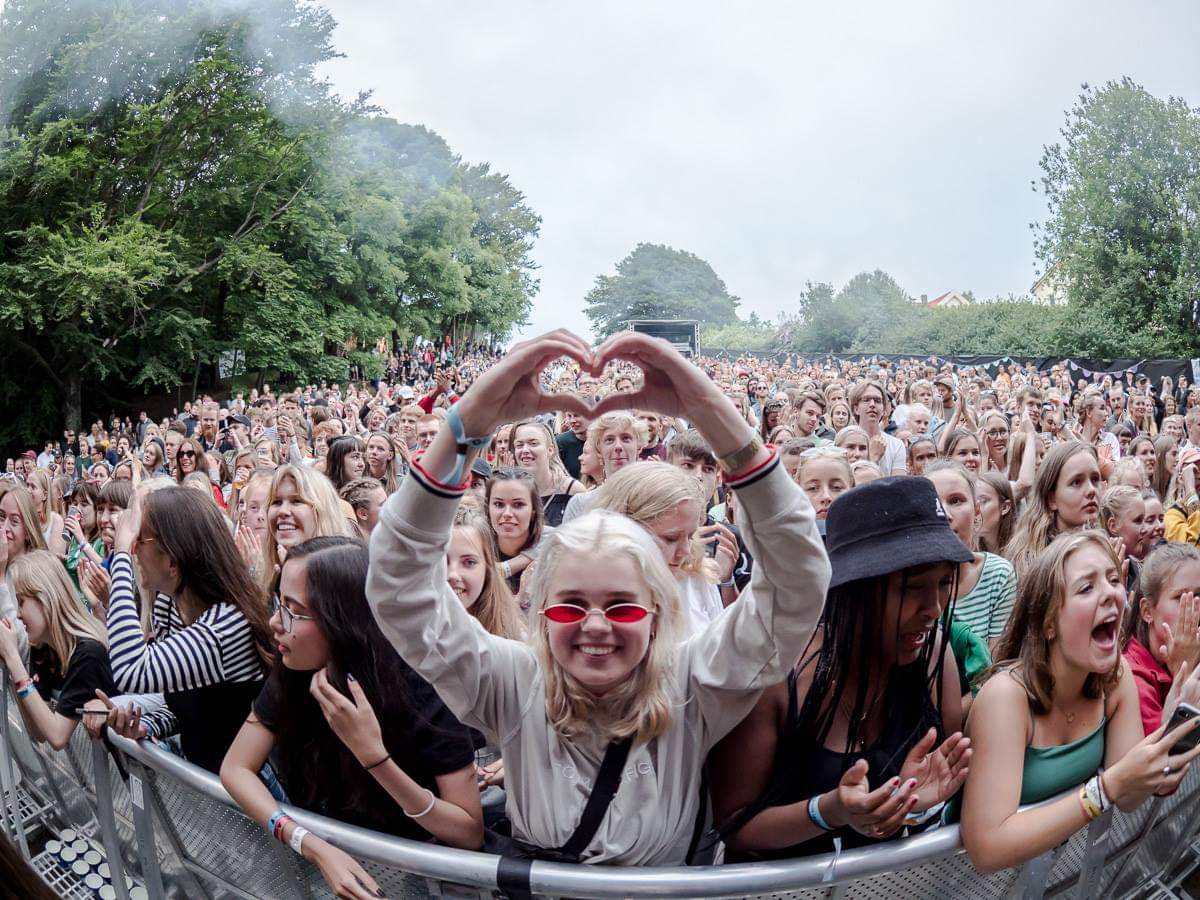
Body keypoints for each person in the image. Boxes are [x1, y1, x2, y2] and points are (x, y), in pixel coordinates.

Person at [366, 329, 829, 865]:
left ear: (657, 614)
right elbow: (400, 588)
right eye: (569, 607)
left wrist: (711, 412)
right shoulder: (512, 682)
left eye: (623, 607)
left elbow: (796, 581)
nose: (595, 627)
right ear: (539, 614)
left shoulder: (694, 681)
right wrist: (467, 425)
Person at [711, 476, 971, 859]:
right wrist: (829, 811)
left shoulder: (935, 657)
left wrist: (909, 806)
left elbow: (929, 801)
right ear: (856, 589)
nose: (933, 608)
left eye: (944, 584)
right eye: (913, 588)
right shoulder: (777, 674)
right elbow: (736, 826)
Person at [221, 537, 483, 898]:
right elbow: (235, 768)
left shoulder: (422, 683)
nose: (274, 622)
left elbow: (468, 830)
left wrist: (375, 758)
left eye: (293, 611)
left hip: (416, 882)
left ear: (341, 620)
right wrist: (308, 843)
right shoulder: (295, 671)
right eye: (279, 604)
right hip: (323, 876)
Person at [960, 531, 1200, 873]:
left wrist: (1168, 732)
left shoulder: (1115, 677)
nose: (1111, 594)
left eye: (1114, 579)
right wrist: (1103, 790)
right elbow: (987, 849)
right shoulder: (1006, 698)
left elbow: (1131, 797)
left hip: (1055, 883)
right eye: (1086, 588)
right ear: (1048, 623)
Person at [87, 487, 272, 773]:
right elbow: (184, 706)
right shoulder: (177, 610)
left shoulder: (226, 626)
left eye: (140, 540)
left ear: (172, 560)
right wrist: (145, 726)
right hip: (215, 791)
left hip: (249, 803)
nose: (134, 550)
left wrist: (121, 552)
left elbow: (130, 670)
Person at [592, 462, 737, 637]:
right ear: (625, 528)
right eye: (670, 538)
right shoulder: (594, 592)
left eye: (691, 537)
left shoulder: (698, 579)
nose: (685, 551)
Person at [0, 551, 116, 749]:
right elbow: (39, 732)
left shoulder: (88, 652)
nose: (18, 615)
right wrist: (15, 670)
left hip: (138, 773)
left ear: (46, 597)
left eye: (21, 602)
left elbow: (57, 737)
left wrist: (14, 659)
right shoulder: (43, 651)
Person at [924, 462, 1016, 648]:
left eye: (956, 501)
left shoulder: (998, 575)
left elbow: (993, 665)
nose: (945, 514)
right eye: (933, 502)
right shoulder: (907, 581)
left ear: (976, 510)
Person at [1124, 543, 1200, 735]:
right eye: (1179, 597)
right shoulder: (1133, 677)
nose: (1193, 607)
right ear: (1147, 611)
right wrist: (1185, 669)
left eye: (1198, 595)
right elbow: (1171, 755)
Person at [1004, 442, 1101, 579]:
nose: (1091, 490)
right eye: (1076, 482)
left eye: (1095, 480)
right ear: (1052, 499)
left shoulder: (1105, 548)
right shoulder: (1028, 564)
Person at [448, 511, 526, 639]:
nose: (453, 574)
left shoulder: (515, 641)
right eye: (441, 561)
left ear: (488, 568)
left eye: (469, 562)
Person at [510, 419, 584, 528]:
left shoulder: (573, 490)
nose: (525, 450)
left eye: (533, 443)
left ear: (550, 450)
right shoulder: (510, 491)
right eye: (519, 445)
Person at [485, 467, 544, 596]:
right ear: (488, 507)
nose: (507, 514)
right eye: (498, 504)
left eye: (518, 505)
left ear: (534, 510)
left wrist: (505, 568)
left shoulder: (552, 545)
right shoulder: (476, 546)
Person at [848, 380, 906, 476]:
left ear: (883, 410)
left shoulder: (896, 445)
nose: (872, 404)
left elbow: (898, 487)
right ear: (856, 409)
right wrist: (873, 459)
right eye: (866, 400)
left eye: (877, 401)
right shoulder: (845, 442)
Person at [976, 472, 1016, 556]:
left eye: (983, 501)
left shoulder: (1023, 550)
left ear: (1005, 507)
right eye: (972, 501)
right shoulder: (968, 549)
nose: (974, 509)